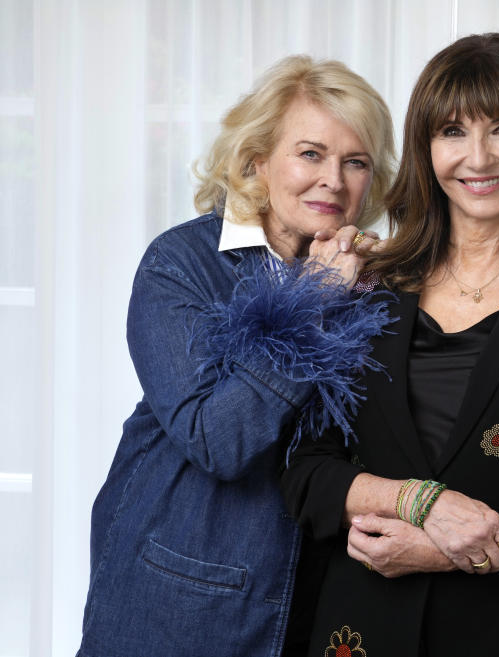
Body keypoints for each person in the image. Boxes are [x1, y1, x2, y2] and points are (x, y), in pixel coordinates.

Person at [280, 33, 499, 657]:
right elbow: (304, 473)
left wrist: (444, 550)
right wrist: (425, 504)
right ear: (425, 149)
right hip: (362, 629)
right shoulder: (362, 286)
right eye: (452, 132)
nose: (477, 158)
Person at [76, 55, 396, 657]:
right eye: (310, 153)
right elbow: (216, 439)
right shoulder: (181, 264)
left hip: (318, 603)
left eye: (355, 162)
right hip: (179, 603)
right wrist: (314, 299)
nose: (334, 179)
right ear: (256, 161)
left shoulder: (370, 279)